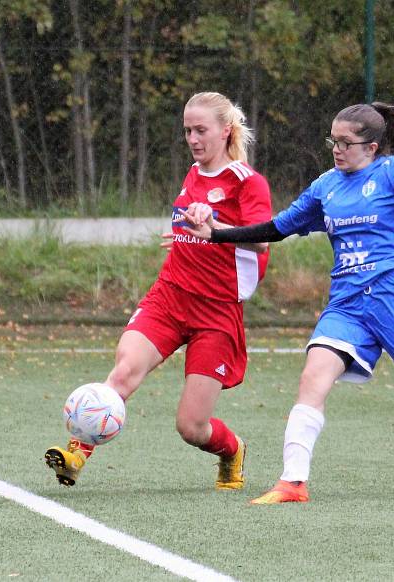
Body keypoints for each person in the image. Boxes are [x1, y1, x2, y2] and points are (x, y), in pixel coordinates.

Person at [180, 98, 394, 504]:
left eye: (346, 142)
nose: (337, 148)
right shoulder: (325, 186)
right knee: (313, 377)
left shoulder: (393, 172)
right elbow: (275, 229)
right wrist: (217, 233)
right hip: (347, 302)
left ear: (372, 148)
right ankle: (292, 482)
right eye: (333, 140)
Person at [44, 91, 273, 489]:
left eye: (201, 130)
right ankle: (77, 453)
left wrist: (213, 230)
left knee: (191, 426)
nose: (193, 139)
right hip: (169, 296)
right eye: (187, 131)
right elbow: (193, 225)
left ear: (226, 131)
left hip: (216, 312)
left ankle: (232, 449)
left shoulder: (247, 183)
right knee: (124, 371)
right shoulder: (193, 173)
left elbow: (263, 240)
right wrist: (186, 237)